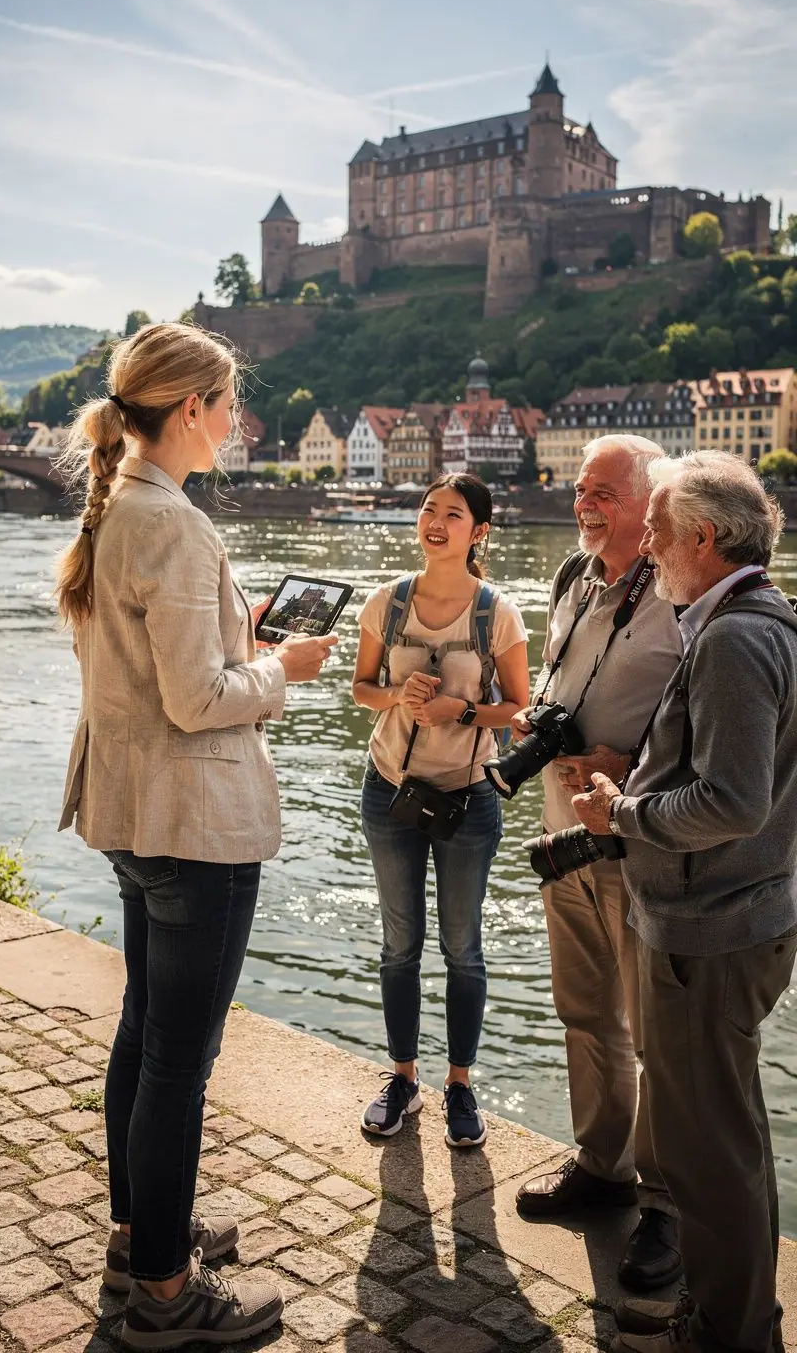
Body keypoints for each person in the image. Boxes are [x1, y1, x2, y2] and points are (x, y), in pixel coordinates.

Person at [54, 322, 336, 1350]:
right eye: (228, 404)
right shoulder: (172, 523)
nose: (237, 420)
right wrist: (279, 670)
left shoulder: (116, 511)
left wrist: (235, 639)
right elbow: (196, 699)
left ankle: (143, 1237)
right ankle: (167, 1295)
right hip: (192, 827)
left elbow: (148, 669)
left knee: (144, 1034)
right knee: (179, 1060)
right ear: (189, 410)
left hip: (132, 816)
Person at [573, 450, 797, 1353]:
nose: (648, 544)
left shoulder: (736, 638)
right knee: (729, 1142)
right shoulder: (759, 620)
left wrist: (622, 814)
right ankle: (738, 1319)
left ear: (703, 537)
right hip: (739, 918)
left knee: (709, 1154)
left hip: (709, 931)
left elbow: (733, 803)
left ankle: (727, 1334)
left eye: (659, 529)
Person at [514, 435, 685, 1293]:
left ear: (653, 504)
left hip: (641, 845)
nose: (585, 504)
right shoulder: (571, 577)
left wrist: (631, 764)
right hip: (565, 837)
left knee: (662, 1037)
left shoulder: (683, 590)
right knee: (585, 1014)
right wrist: (538, 718)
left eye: (605, 493)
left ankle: (667, 1207)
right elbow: (565, 684)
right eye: (582, 490)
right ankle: (602, 1167)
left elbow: (713, 726)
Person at [351, 473, 530, 1148]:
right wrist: (396, 697)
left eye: (453, 514)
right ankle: (403, 1078)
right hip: (390, 788)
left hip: (468, 795)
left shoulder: (497, 613)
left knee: (463, 947)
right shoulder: (387, 601)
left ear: (478, 531)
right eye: (429, 509)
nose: (435, 521)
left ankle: (459, 1084)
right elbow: (361, 688)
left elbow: (521, 710)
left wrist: (463, 710)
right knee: (399, 944)